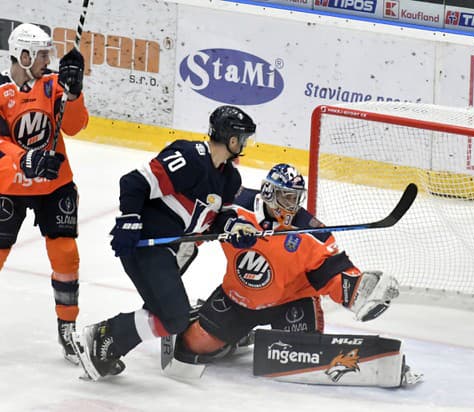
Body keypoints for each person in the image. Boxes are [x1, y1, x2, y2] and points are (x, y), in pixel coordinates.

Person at [71, 105, 257, 380]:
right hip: (145, 244)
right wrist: (130, 219)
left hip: (167, 251)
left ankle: (104, 343)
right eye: (243, 138)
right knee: (175, 316)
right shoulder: (189, 157)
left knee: (169, 315)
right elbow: (134, 182)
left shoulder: (230, 178)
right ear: (232, 139)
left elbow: (220, 216)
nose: (244, 145)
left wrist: (234, 226)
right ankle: (102, 338)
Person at [171, 163, 400, 365]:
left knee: (302, 354)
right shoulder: (236, 206)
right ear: (269, 192)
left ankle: (247, 333)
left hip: (291, 303)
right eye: (287, 197)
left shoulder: (311, 232)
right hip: (238, 298)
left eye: (296, 198)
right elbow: (202, 225)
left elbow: (331, 272)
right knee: (194, 345)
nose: (292, 205)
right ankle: (234, 333)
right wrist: (175, 252)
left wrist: (359, 290)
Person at [0, 23, 87, 364]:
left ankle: (68, 329)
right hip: (10, 186)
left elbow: (75, 126)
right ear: (23, 55)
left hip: (55, 184)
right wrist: (28, 161)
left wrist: (76, 94)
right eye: (42, 55)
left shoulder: (54, 85)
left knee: (66, 255)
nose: (47, 60)